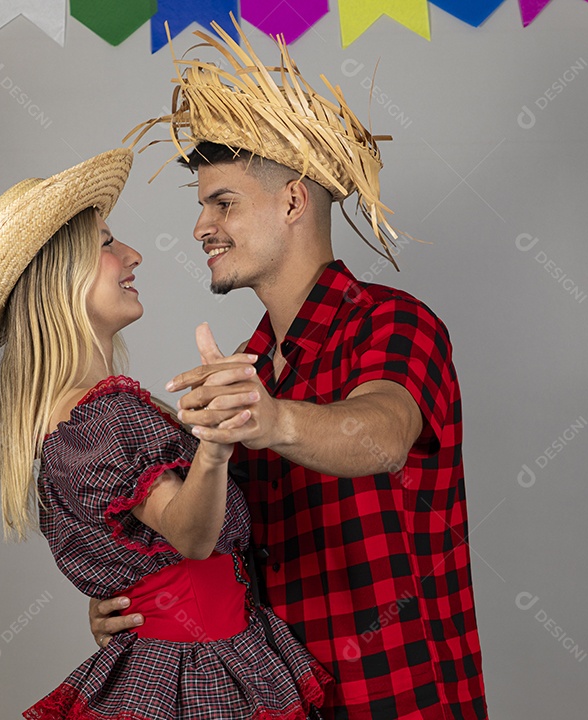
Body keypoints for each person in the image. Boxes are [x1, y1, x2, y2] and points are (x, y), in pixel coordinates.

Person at [91, 23, 488, 720]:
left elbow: (382, 435)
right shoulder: (244, 367)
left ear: (294, 201)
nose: (200, 228)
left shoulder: (393, 323)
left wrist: (272, 418)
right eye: (201, 205)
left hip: (394, 702)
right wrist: (140, 600)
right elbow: (225, 553)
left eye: (223, 203)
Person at [0, 147, 332, 719]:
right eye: (106, 243)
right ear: (61, 280)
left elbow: (142, 559)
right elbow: (191, 538)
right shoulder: (105, 415)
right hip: (198, 668)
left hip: (174, 657)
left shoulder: (72, 421)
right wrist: (213, 447)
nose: (133, 254)